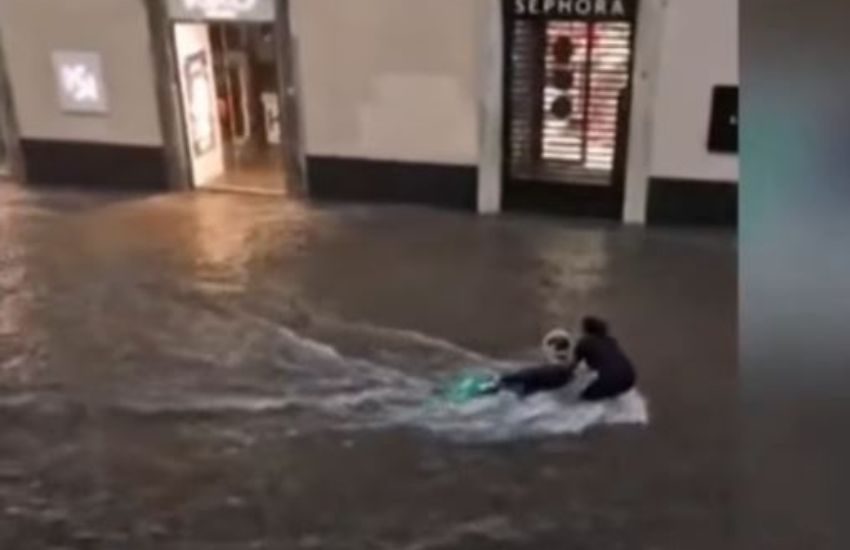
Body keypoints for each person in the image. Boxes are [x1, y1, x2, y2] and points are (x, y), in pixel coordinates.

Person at [571, 316, 637, 401]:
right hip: (629, 378)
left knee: (583, 398)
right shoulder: (611, 341)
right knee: (608, 390)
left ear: (586, 329)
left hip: (611, 378)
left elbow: (573, 367)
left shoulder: (584, 343)